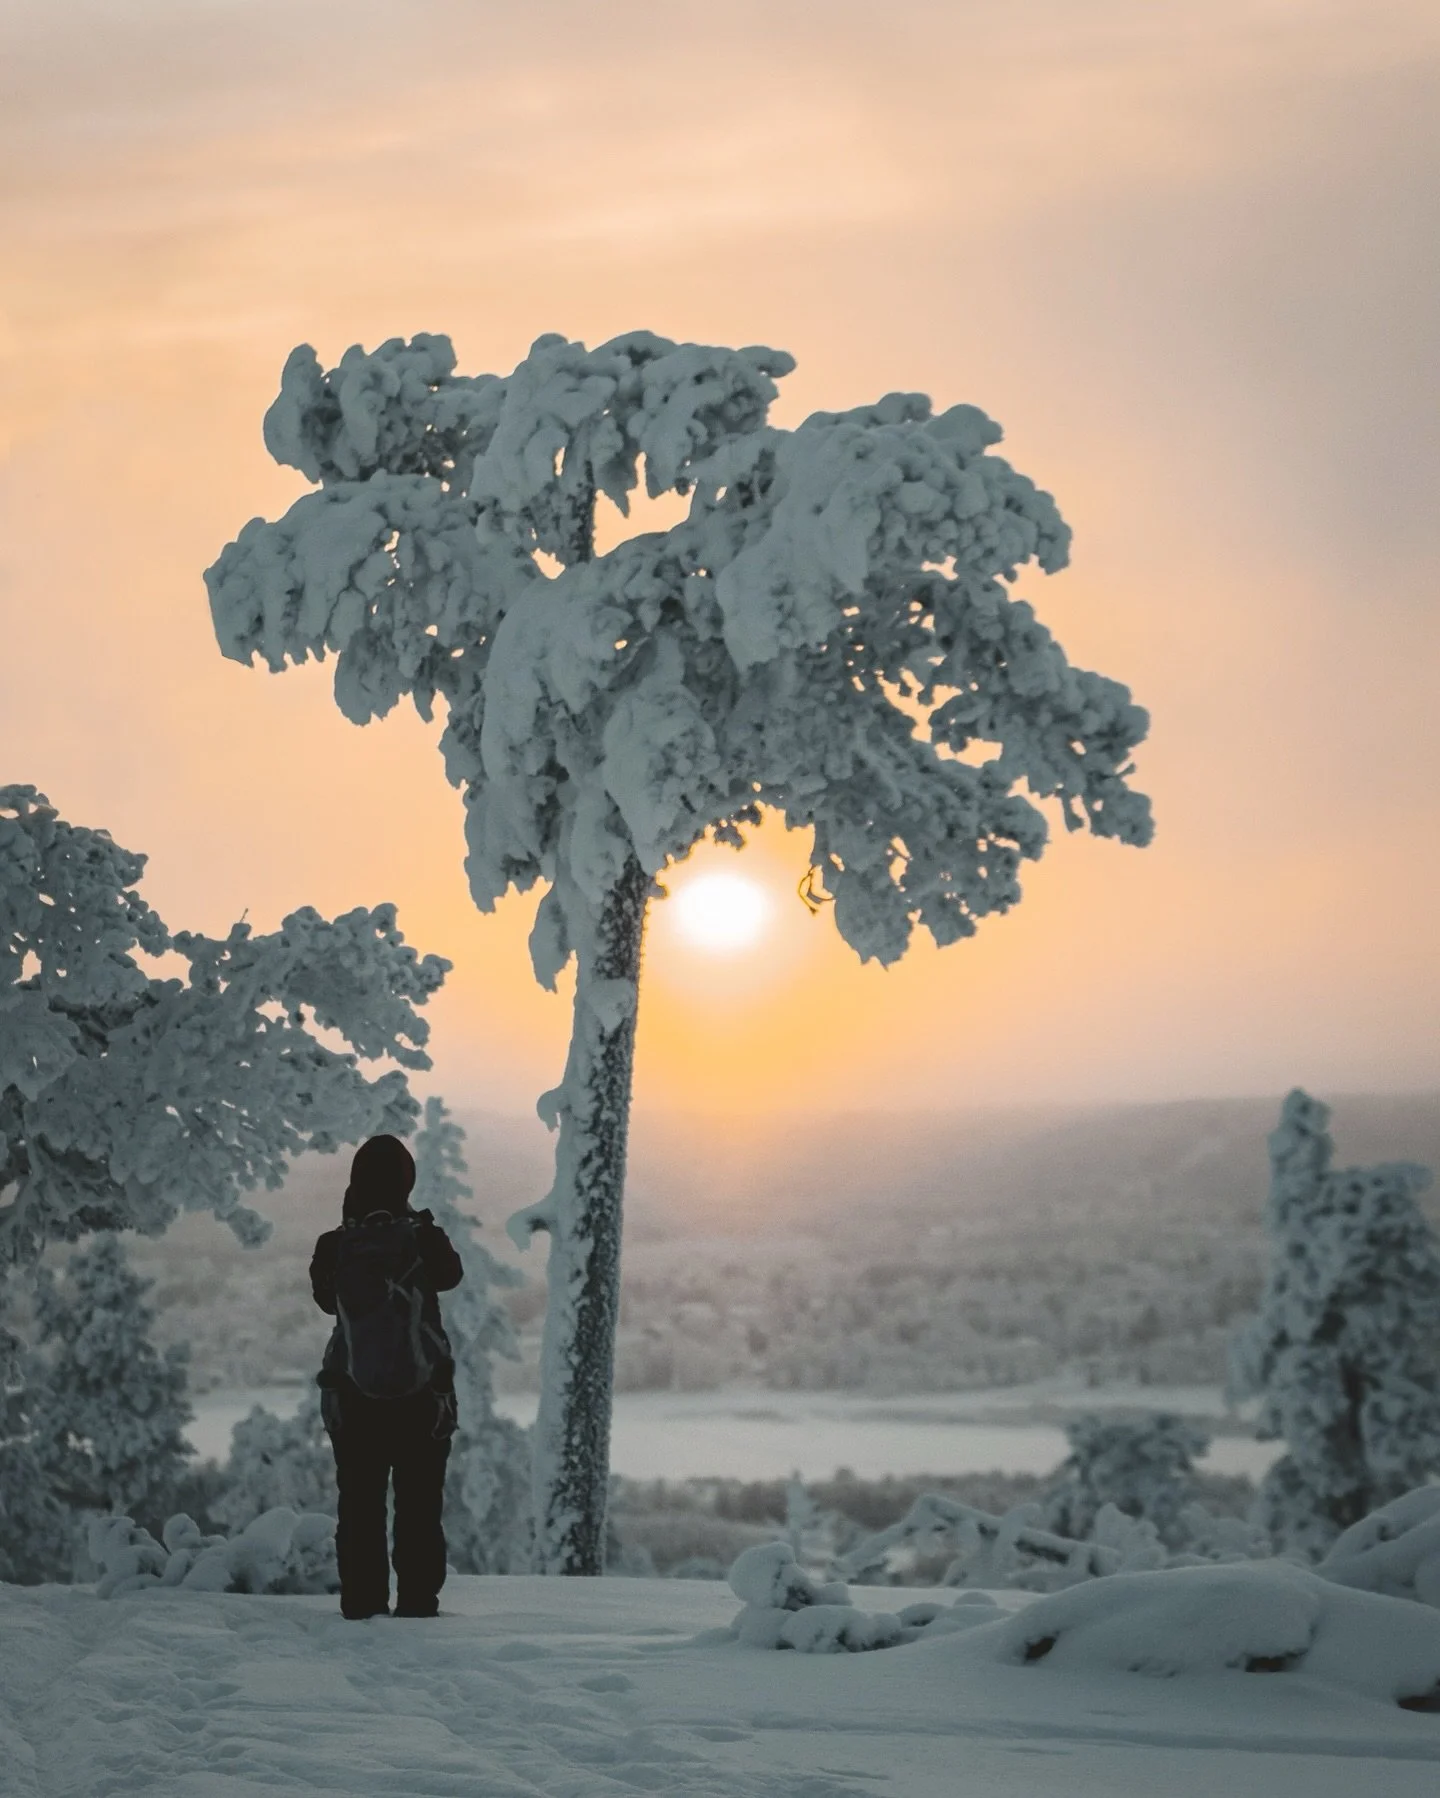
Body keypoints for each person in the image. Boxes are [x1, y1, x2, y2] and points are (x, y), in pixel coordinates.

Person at [310, 1134, 464, 1619]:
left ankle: (361, 1603)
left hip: (354, 1397)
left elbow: (323, 1300)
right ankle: (418, 1604)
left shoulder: (334, 1245)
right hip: (424, 1398)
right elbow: (451, 1276)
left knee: (359, 1504)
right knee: (420, 1507)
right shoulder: (422, 1238)